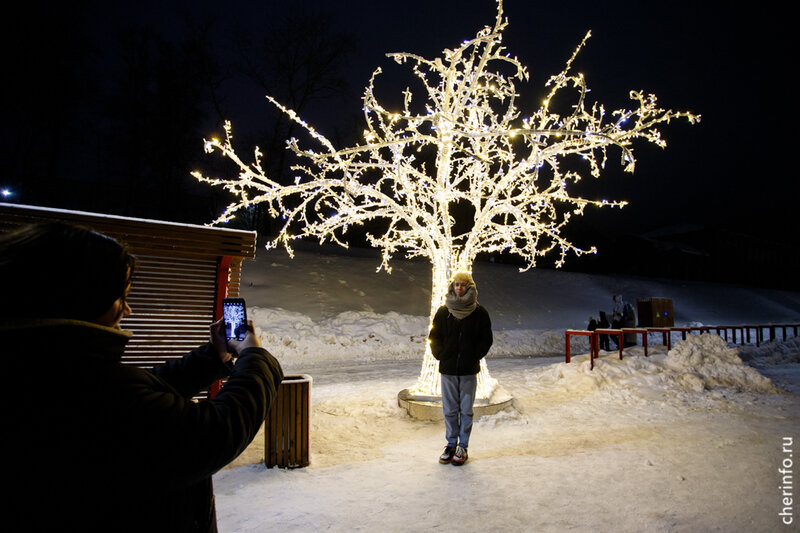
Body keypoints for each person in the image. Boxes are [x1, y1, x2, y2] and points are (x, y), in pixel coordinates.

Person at [1, 222, 283, 532]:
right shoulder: (79, 390)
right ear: (79, 297)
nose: (129, 310)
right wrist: (254, 356)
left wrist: (213, 356)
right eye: (120, 298)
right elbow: (214, 433)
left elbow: (146, 390)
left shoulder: (38, 367)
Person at [428, 271, 493, 466]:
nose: (459, 288)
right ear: (452, 287)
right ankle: (450, 444)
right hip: (447, 369)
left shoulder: (479, 313)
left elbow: (486, 339)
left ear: (470, 287)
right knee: (449, 410)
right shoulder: (443, 311)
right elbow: (434, 336)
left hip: (468, 370)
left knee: (465, 410)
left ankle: (463, 445)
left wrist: (473, 355)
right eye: (456, 284)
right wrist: (440, 353)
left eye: (463, 284)